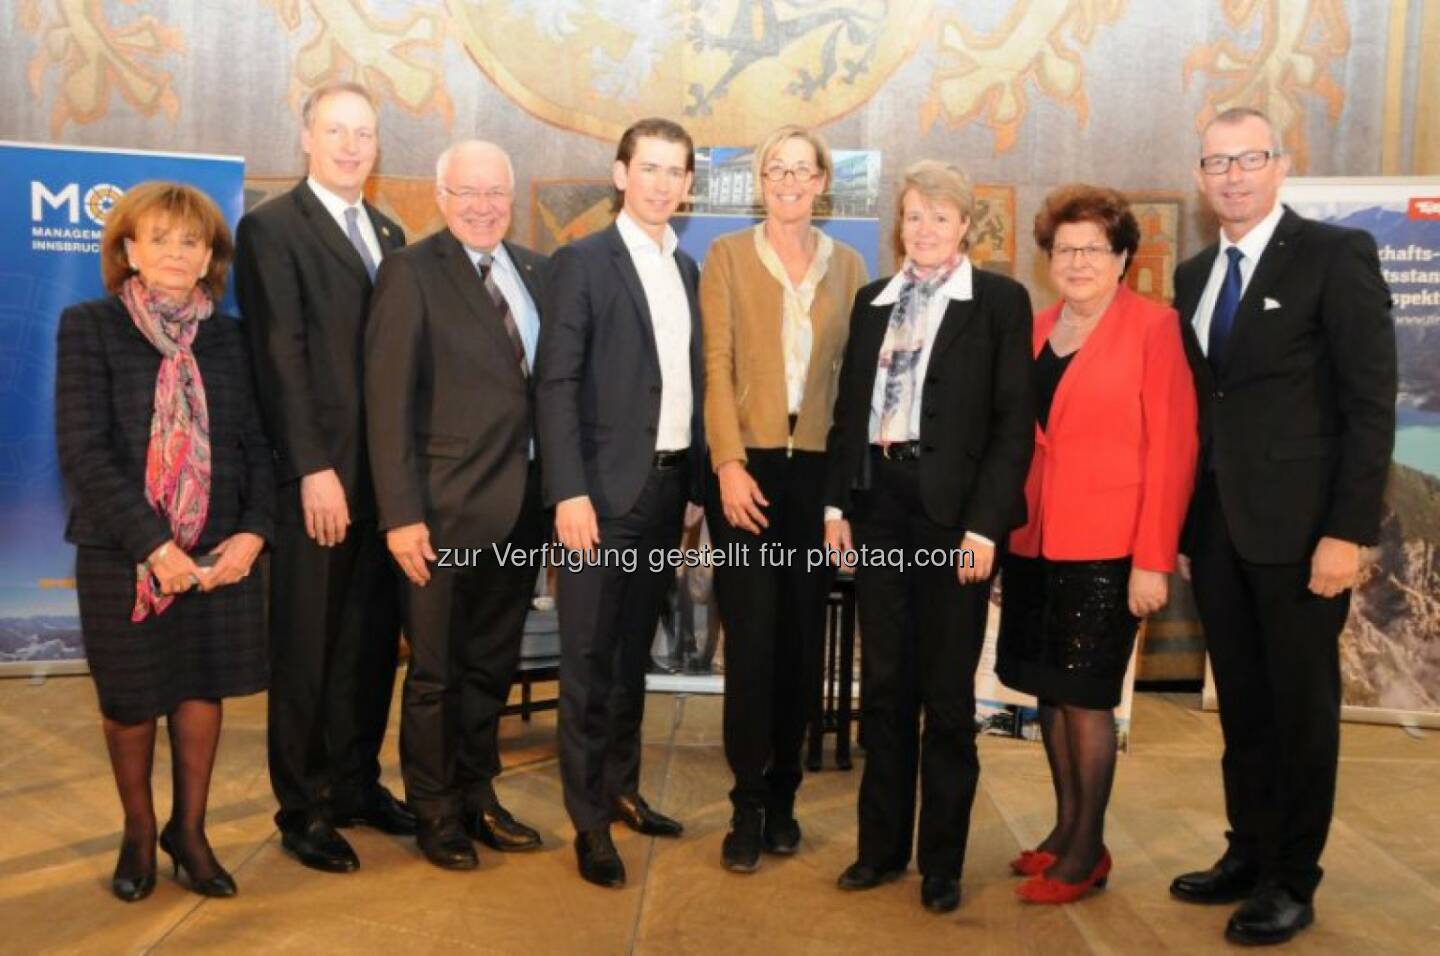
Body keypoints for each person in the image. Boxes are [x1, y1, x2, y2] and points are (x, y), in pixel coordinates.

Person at [1167, 107, 1396, 946]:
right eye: (1216, 162)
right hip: (1222, 532)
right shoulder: (1194, 275)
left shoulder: (1336, 256)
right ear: (1199, 176)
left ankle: (1292, 879)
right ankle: (1248, 851)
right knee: (1244, 707)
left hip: (1307, 536)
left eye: (1248, 158)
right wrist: (1192, 529)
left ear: (1281, 164)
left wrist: (1350, 530)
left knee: (1300, 710)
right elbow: (1204, 409)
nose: (1231, 174)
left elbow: (1371, 406)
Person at [823, 160, 1034, 914]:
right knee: (883, 690)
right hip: (878, 507)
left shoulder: (1001, 302)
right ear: (899, 226)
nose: (926, 230)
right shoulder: (870, 301)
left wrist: (985, 528)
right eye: (914, 216)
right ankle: (879, 851)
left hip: (953, 520)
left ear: (965, 226)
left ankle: (940, 862)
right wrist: (834, 508)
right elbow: (849, 412)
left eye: (941, 217)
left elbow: (1013, 427)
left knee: (946, 699)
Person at [56, 182, 274, 901]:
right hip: (125, 553)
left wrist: (251, 534)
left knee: (200, 688)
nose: (177, 253)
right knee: (128, 701)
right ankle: (141, 832)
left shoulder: (233, 337)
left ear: (210, 255)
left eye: (191, 241)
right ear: (128, 250)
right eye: (160, 238)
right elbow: (84, 452)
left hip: (217, 555)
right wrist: (155, 546)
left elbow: (254, 447)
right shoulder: (88, 326)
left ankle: (191, 831)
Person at [996, 185, 1198, 903]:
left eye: (1094, 249)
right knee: (1049, 695)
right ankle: (1063, 830)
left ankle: (1087, 852)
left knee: (1086, 700)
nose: (1078, 261)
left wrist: (1153, 559)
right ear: (1047, 256)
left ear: (1121, 259)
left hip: (1110, 547)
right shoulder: (1036, 324)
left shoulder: (1154, 328)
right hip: (1034, 538)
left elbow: (1173, 449)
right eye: (1064, 248)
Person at [234, 80, 413, 874]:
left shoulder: (390, 228)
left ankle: (355, 782)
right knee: (307, 647)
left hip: (386, 486)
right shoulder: (271, 228)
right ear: (306, 138)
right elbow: (280, 357)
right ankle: (301, 807)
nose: (351, 145)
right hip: (320, 481)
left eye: (364, 133)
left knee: (370, 644)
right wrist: (313, 468)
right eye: (336, 131)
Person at [365, 141, 548, 869]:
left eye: (495, 193)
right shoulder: (410, 271)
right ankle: (434, 808)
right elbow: (387, 402)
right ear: (440, 197)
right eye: (467, 192)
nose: (482, 205)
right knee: (437, 672)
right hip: (438, 514)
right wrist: (400, 514)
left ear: (512, 195)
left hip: (521, 511)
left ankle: (479, 795)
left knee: (488, 668)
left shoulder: (535, 270)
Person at [536, 117, 705, 889]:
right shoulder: (582, 263)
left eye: (677, 172)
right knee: (589, 662)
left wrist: (694, 490)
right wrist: (568, 490)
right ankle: (588, 821)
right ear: (620, 173)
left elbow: (686, 386)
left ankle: (623, 787)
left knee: (634, 655)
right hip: (598, 499)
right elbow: (557, 383)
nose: (663, 183)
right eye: (651, 168)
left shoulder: (687, 268)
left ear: (690, 185)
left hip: (667, 491)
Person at [701, 124, 869, 872]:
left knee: (801, 650)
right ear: (761, 180)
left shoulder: (853, 266)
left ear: (823, 182)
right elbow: (717, 365)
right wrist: (728, 465)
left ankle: (784, 799)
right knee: (755, 644)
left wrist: (839, 504)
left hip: (817, 479)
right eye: (777, 168)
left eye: (804, 170)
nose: (791, 181)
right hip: (749, 471)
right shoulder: (727, 256)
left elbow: (854, 392)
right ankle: (744, 805)